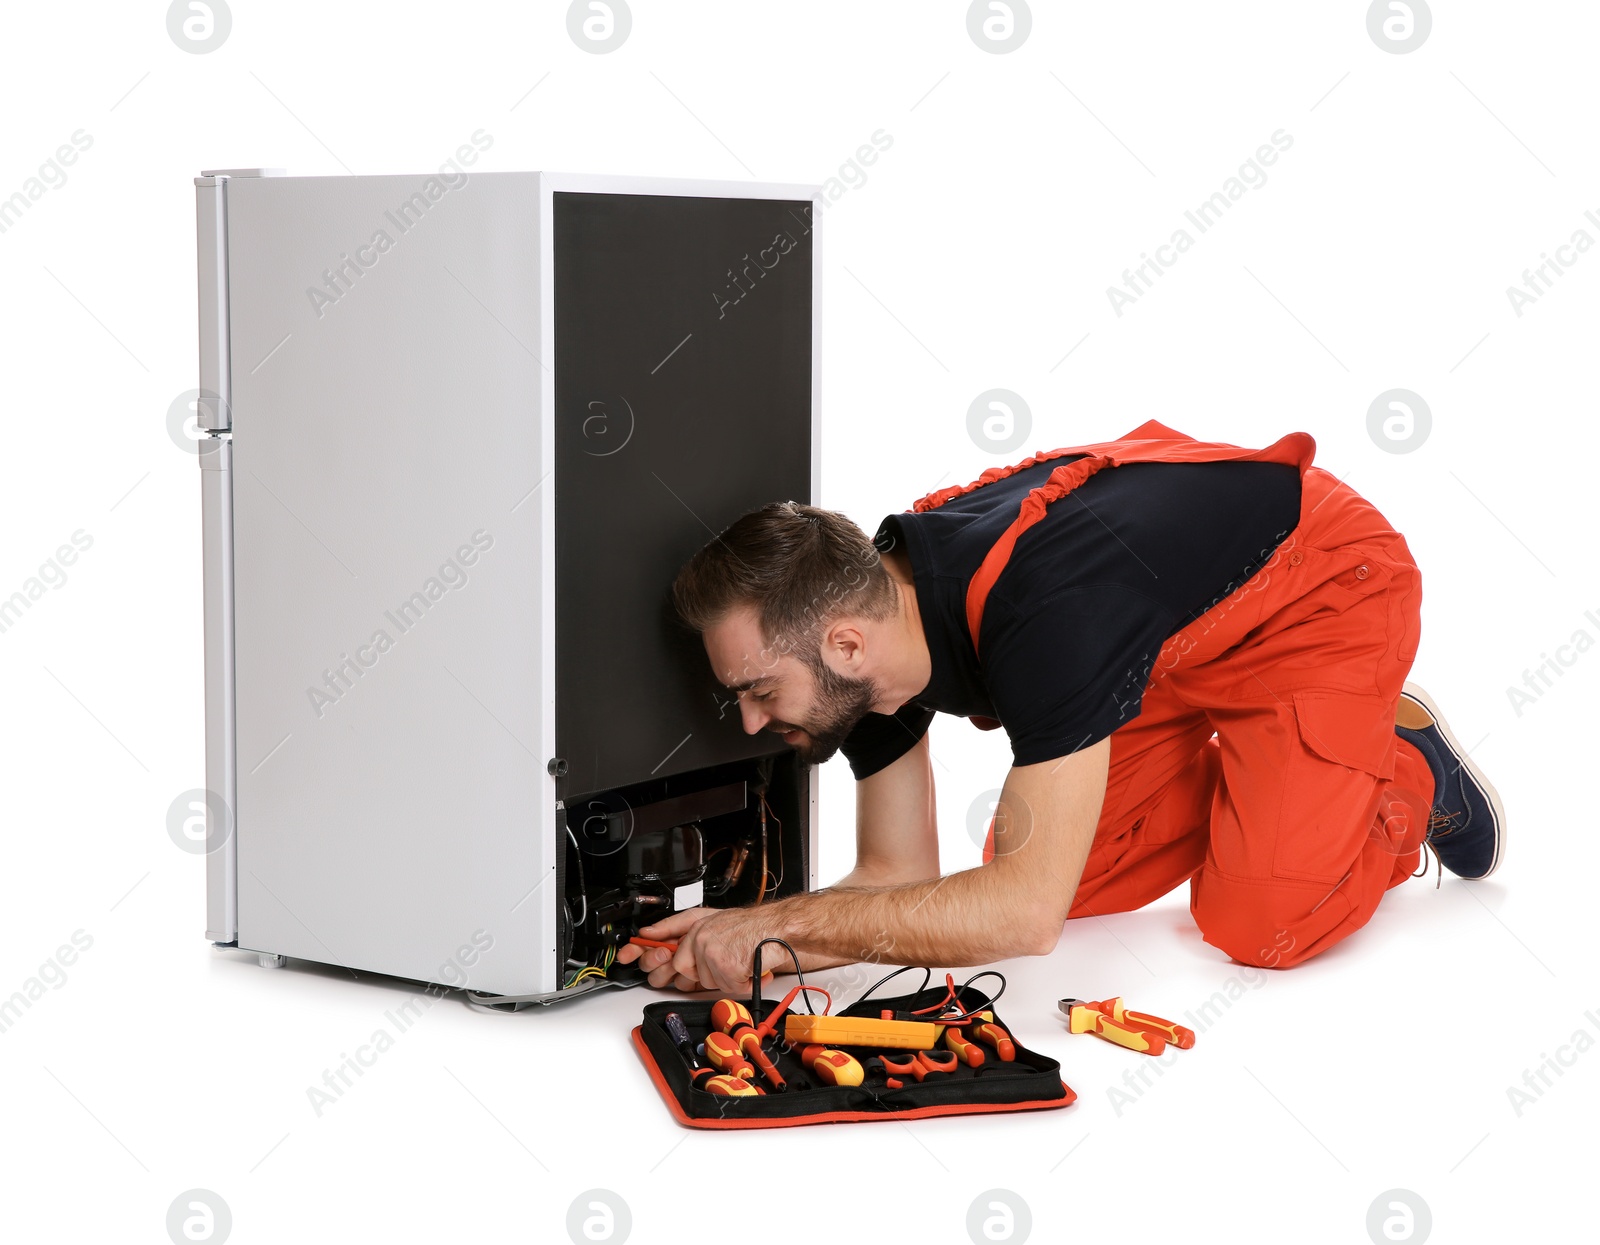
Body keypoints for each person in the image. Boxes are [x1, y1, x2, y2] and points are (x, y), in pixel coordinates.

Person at [615, 420, 1505, 995]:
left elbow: (1019, 919)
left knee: (1259, 921)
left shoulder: (1042, 610)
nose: (750, 724)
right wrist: (736, 940)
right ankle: (1281, 777)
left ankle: (1407, 770)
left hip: (1317, 587)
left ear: (842, 643)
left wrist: (773, 923)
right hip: (1158, 644)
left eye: (759, 691)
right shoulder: (870, 640)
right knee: (1052, 864)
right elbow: (898, 877)